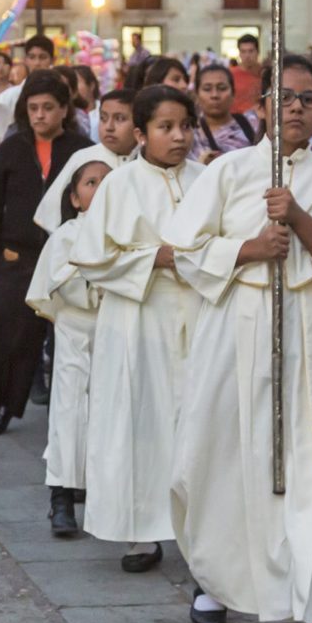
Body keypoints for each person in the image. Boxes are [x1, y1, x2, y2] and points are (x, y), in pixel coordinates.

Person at [167, 54, 312, 623]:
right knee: (226, 454)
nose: (294, 108)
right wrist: (251, 247)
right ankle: (219, 582)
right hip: (237, 326)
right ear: (260, 106)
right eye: (283, 97)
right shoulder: (227, 172)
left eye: (308, 99)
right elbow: (184, 250)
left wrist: (303, 221)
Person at [70, 84, 202, 572]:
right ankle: (140, 531)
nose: (179, 137)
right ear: (141, 133)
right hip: (138, 317)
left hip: (197, 315)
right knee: (139, 420)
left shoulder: (209, 180)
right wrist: (156, 258)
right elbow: (90, 255)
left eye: (186, 126)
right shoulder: (120, 185)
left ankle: (200, 526)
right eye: (166, 128)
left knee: (193, 419)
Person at [0, 70, 92, 437]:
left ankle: (70, 411)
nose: (40, 115)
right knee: (10, 334)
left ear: (64, 109)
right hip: (16, 256)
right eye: (34, 108)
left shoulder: (81, 149)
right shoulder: (13, 146)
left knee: (68, 338)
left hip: (68, 260)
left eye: (48, 108)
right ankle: (3, 405)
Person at [26, 153, 116, 538]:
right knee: (69, 411)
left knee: (111, 413)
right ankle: (60, 496)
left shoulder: (127, 232)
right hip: (76, 332)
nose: (100, 189)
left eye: (107, 181)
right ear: (75, 198)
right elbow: (58, 282)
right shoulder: (66, 235)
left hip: (116, 333)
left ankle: (105, 497)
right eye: (90, 183)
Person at [190, 63, 262, 163]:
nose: (215, 95)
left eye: (222, 88)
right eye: (207, 89)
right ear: (197, 95)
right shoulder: (191, 135)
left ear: (233, 93)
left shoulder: (253, 124)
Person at [229, 34, 263, 114]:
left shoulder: (265, 74)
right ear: (239, 53)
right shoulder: (230, 74)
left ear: (257, 52)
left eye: (251, 51)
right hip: (236, 120)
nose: (247, 56)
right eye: (243, 51)